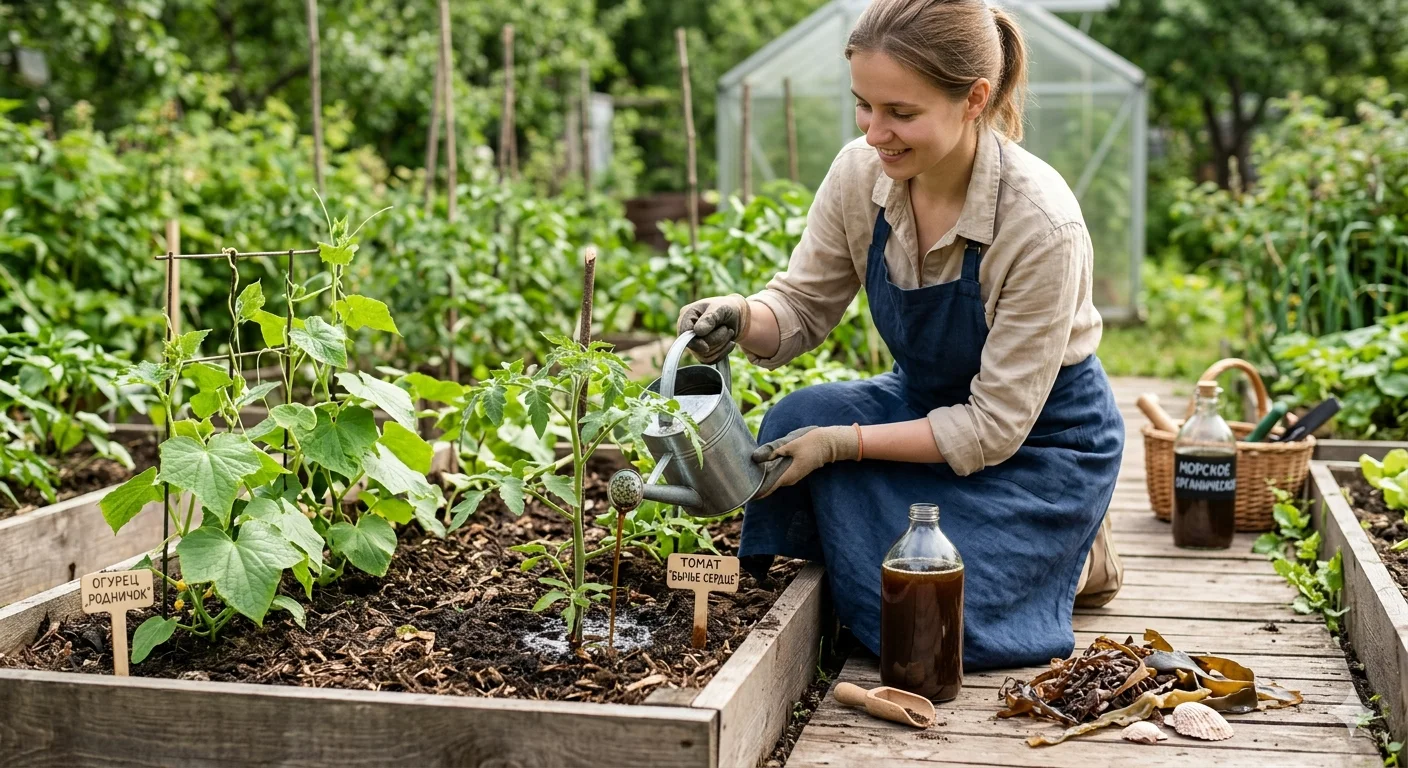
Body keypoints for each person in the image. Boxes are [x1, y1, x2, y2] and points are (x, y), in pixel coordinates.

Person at [677, 0, 1125, 670]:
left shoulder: (1039, 222)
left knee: (930, 622)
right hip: (923, 405)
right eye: (864, 105)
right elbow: (801, 306)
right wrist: (742, 316)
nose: (875, 131)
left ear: (974, 99)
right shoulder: (861, 173)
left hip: (1038, 445)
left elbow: (994, 426)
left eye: (901, 113)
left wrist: (842, 448)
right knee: (802, 415)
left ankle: (1078, 553)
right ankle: (867, 555)